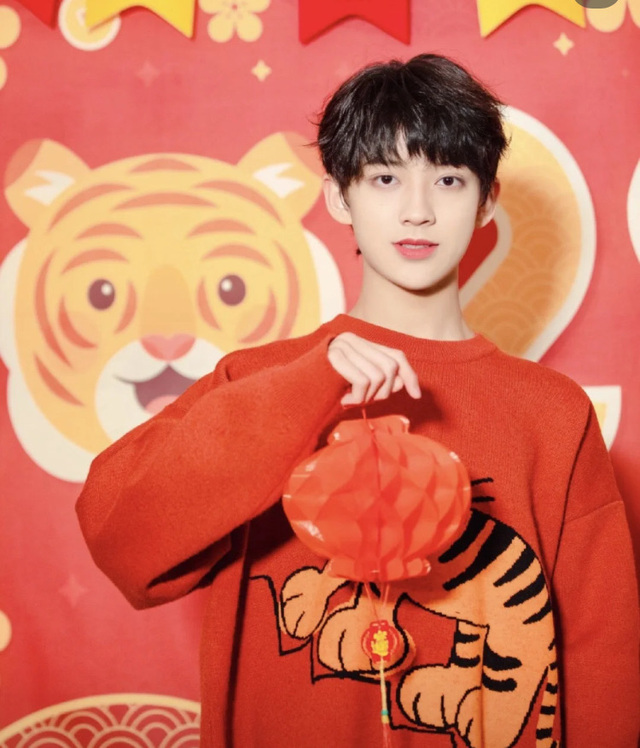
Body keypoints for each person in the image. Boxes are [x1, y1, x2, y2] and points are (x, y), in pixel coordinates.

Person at [76, 54, 640, 747]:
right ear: (340, 198)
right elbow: (121, 539)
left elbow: (602, 651)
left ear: (487, 201)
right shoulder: (262, 380)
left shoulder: (552, 412)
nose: (417, 210)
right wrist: (306, 387)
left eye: (448, 179)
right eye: (384, 177)